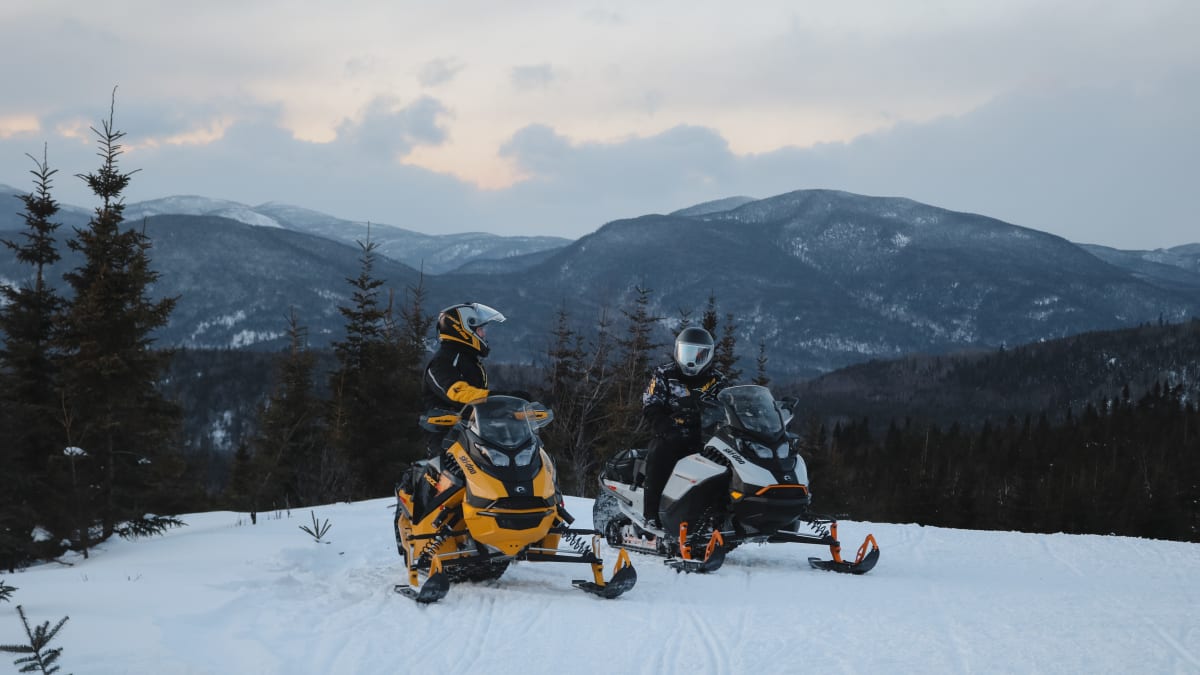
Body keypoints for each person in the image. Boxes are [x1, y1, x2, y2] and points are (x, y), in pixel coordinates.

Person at [640, 326, 727, 530]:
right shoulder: (665, 374)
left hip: (707, 437)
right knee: (660, 455)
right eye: (687, 352)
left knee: (728, 465)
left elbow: (728, 405)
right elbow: (651, 403)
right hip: (673, 433)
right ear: (678, 351)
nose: (692, 360)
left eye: (699, 354)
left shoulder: (717, 380)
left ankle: (720, 514)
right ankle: (651, 514)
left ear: (709, 355)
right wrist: (665, 427)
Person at [421, 302, 506, 457]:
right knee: (451, 479)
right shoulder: (442, 362)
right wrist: (498, 399)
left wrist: (519, 410)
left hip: (475, 438)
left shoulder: (468, 361)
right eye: (479, 329)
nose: (483, 334)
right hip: (447, 442)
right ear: (463, 331)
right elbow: (458, 393)